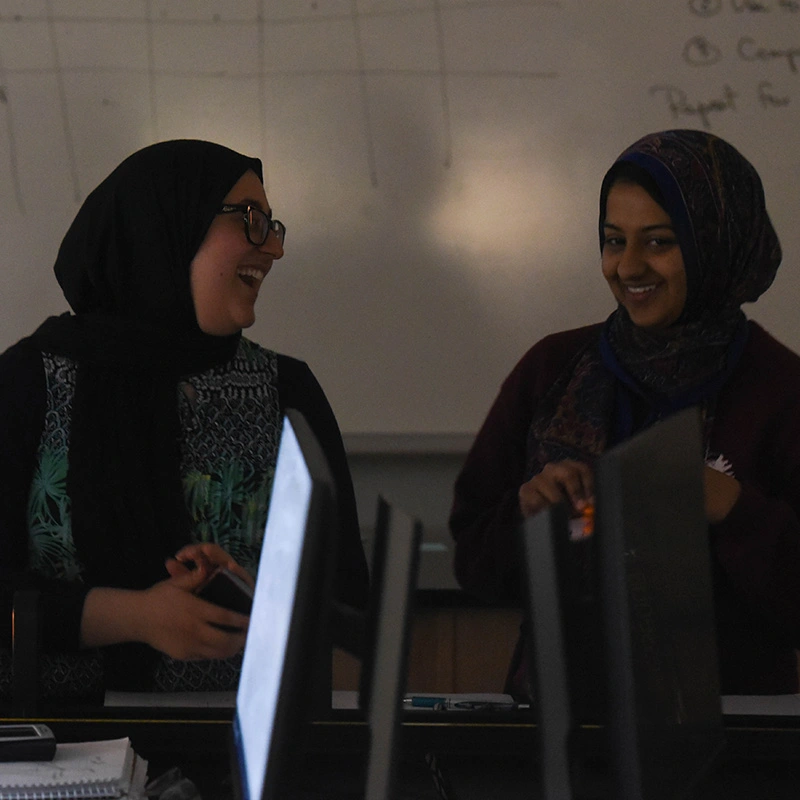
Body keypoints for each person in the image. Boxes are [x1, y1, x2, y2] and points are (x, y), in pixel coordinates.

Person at [0, 140, 369, 701]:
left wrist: (257, 597)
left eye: (272, 225)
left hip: (241, 752)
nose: (272, 247)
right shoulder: (29, 381)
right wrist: (133, 616)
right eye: (249, 220)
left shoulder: (286, 390)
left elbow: (349, 607)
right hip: (56, 751)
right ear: (162, 227)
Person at [450, 129, 800, 697]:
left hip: (734, 740)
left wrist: (732, 509)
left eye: (659, 242)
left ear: (717, 243)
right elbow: (476, 565)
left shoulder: (783, 391)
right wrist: (528, 513)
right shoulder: (552, 369)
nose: (628, 267)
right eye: (614, 241)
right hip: (562, 727)